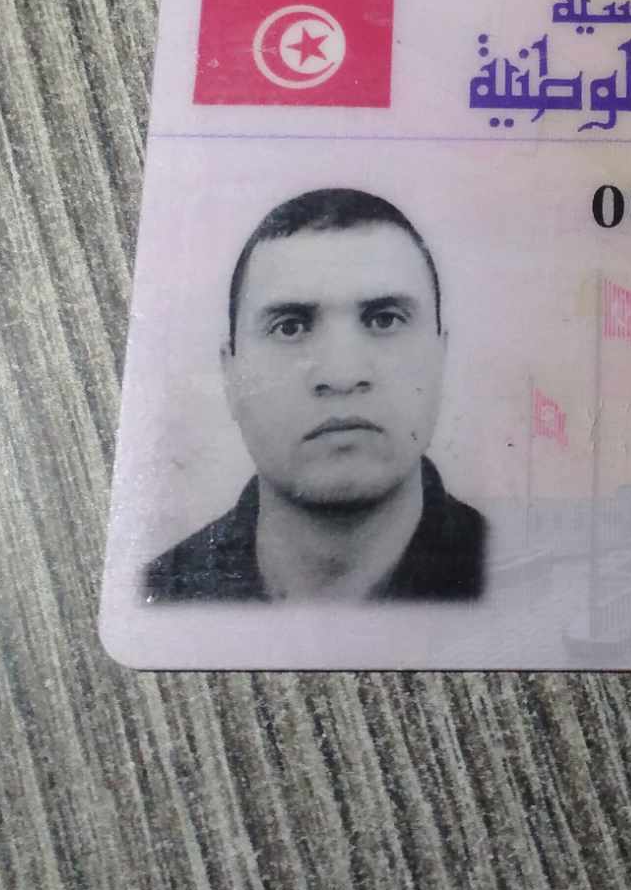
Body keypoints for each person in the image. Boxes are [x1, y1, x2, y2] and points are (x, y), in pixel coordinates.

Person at [143, 188, 486, 602]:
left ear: (440, 356)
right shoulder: (162, 597)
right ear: (230, 375)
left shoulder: (517, 576)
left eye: (384, 320)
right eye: (290, 327)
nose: (342, 375)